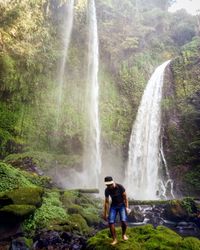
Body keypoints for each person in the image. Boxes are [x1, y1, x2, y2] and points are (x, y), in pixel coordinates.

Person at [103, 176, 130, 245]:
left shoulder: (120, 187)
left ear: (112, 183)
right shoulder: (107, 190)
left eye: (110, 185)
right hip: (113, 206)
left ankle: (124, 235)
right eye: (107, 185)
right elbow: (106, 202)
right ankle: (114, 239)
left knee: (123, 221)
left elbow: (125, 198)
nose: (109, 186)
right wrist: (105, 213)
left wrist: (127, 208)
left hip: (122, 205)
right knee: (111, 222)